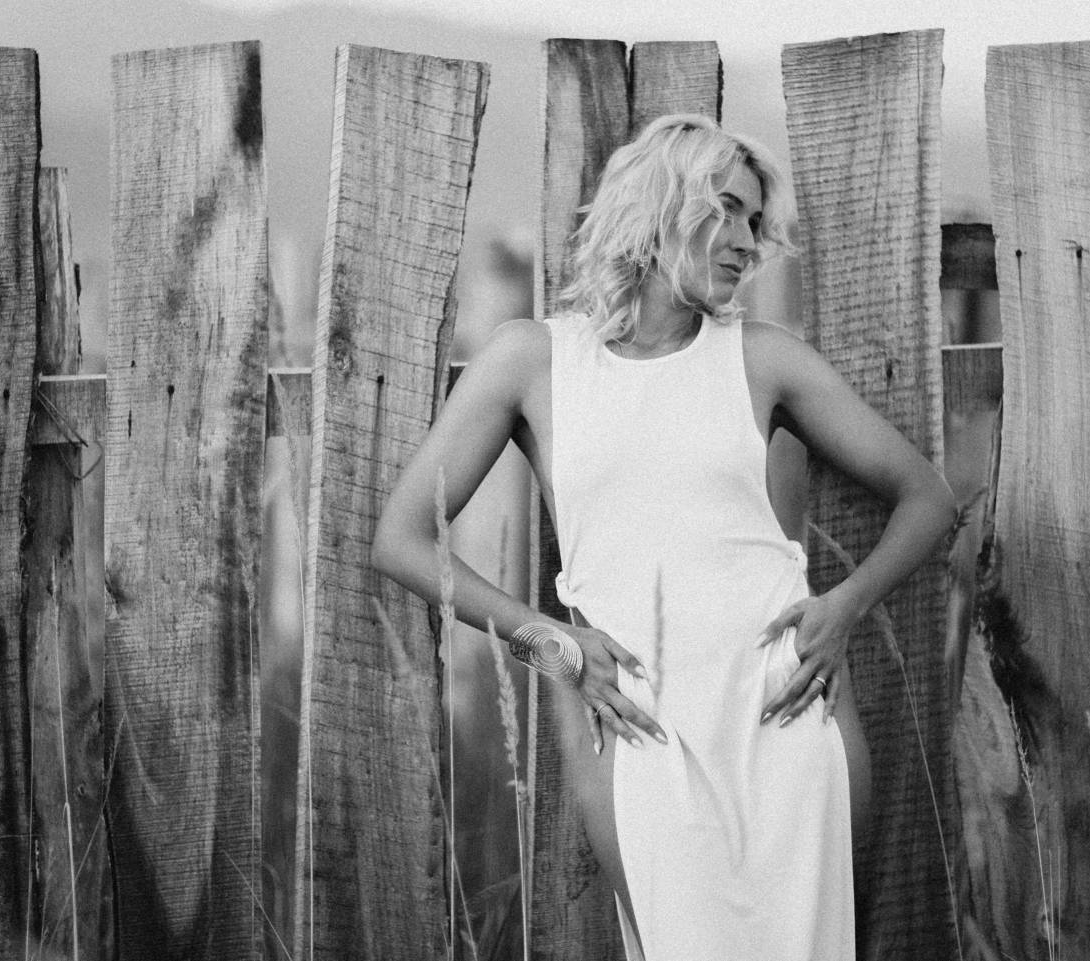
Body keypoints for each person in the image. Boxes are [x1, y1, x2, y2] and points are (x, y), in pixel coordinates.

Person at [371, 114, 955, 961]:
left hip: (786, 713)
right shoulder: (532, 360)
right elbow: (401, 541)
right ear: (659, 205)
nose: (748, 241)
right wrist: (554, 645)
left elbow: (927, 497)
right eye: (727, 210)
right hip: (644, 725)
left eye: (756, 220)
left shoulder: (761, 358)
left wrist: (846, 607)